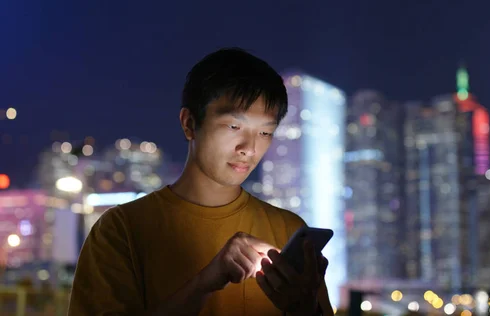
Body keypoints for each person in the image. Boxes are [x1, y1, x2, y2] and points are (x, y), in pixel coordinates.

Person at [67, 48, 333, 316]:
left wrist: (306, 310)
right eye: (234, 127)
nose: (249, 148)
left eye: (265, 132)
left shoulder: (288, 229)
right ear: (190, 123)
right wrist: (206, 282)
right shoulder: (121, 230)